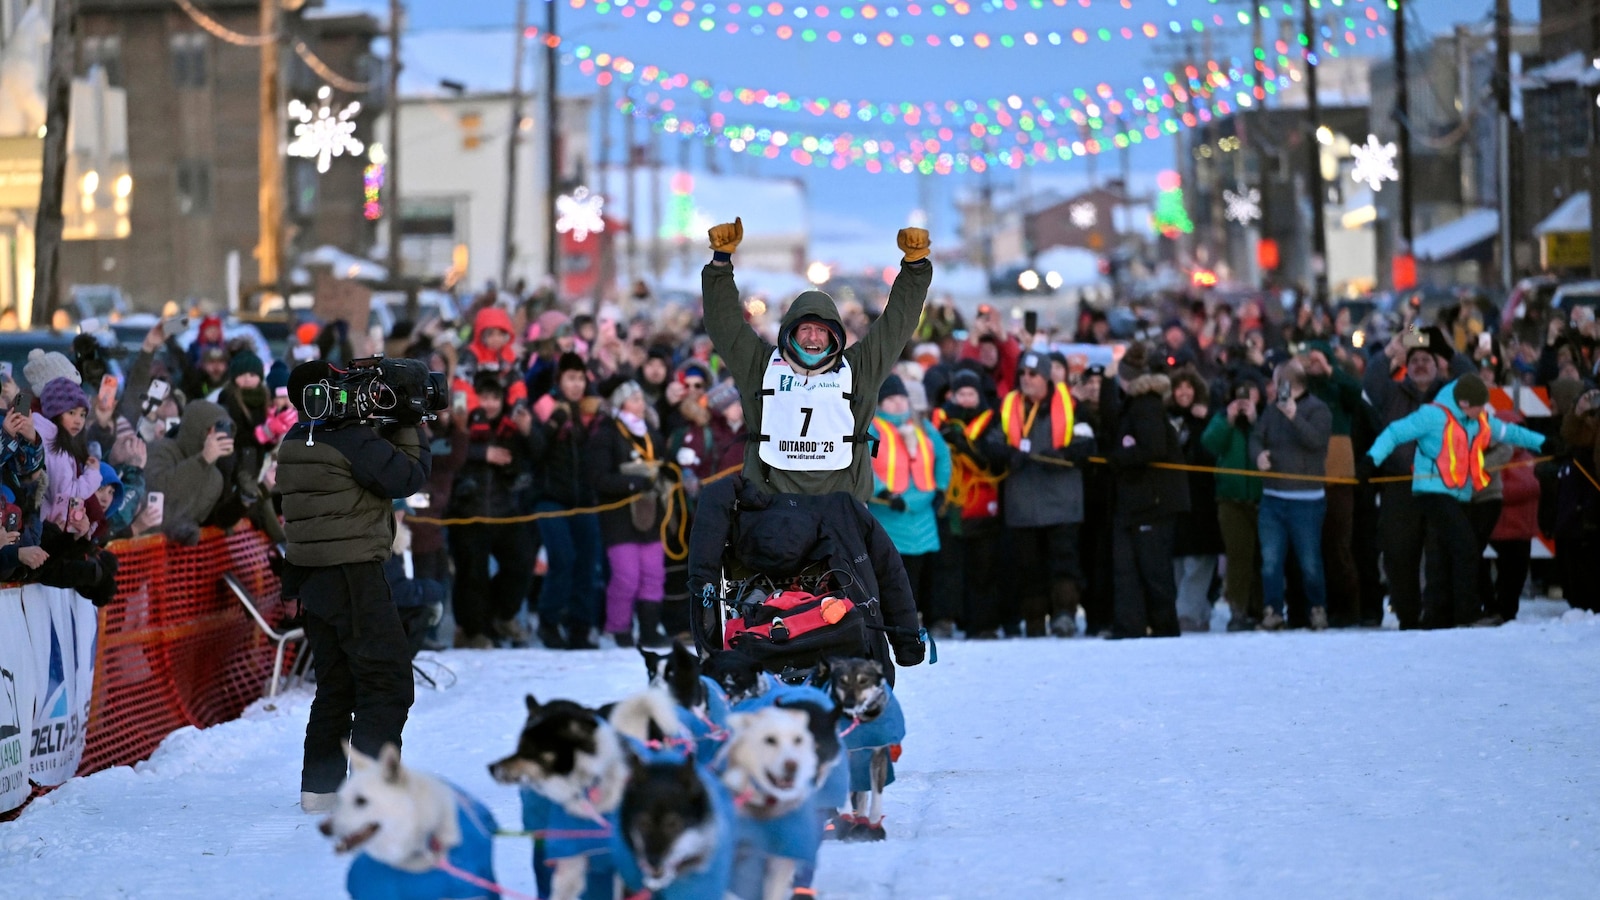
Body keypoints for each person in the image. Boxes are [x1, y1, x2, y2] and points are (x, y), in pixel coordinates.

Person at [277, 360, 432, 814]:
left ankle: (320, 790)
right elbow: (407, 476)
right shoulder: (350, 441)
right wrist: (406, 418)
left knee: (337, 686)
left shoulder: (294, 441)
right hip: (354, 577)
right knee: (387, 683)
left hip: (312, 578)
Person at [700, 217, 932, 500]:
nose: (813, 338)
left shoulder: (858, 370)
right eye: (805, 329)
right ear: (790, 333)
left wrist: (915, 267)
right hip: (772, 506)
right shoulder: (760, 367)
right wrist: (720, 265)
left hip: (841, 507)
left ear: (835, 335)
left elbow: (897, 324)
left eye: (821, 331)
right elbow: (724, 325)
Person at [1368, 373, 1544, 628]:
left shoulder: (1481, 420)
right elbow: (1399, 434)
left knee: (1463, 551)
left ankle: (1466, 611)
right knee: (1453, 551)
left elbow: (1506, 439)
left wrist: (1543, 443)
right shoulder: (1434, 419)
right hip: (1440, 494)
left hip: (1474, 496)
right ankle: (1454, 612)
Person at [1363, 325, 1474, 628]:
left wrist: (1448, 350)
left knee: (1440, 552)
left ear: (1438, 365)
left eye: (1428, 359)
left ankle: (1438, 615)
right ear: (1405, 367)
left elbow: (1473, 381)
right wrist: (1390, 349)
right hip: (1400, 485)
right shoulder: (1392, 393)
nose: (1421, 365)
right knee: (1399, 554)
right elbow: (1371, 381)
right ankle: (1407, 615)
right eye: (1415, 361)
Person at [986, 350, 1096, 637]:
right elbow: (992, 442)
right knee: (1028, 567)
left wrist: (1062, 454)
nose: (1026, 379)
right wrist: (1009, 454)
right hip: (1023, 503)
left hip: (1063, 501)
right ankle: (1034, 619)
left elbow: (1087, 443)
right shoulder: (1008, 405)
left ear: (1046, 377)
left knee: (1064, 562)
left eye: (1032, 374)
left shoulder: (1071, 404)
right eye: (1022, 373)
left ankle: (1064, 614)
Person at [447, 373, 540, 648]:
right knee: (471, 574)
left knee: (522, 563)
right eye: (484, 397)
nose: (489, 404)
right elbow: (444, 448)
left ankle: (501, 616)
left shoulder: (511, 425)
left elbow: (539, 453)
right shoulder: (462, 419)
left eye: (495, 398)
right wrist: (482, 453)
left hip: (506, 511)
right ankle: (472, 630)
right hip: (468, 512)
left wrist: (529, 431)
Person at [1104, 343, 1190, 639]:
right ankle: (1130, 624)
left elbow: (1153, 448)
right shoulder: (1136, 405)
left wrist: (1119, 458)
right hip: (1137, 501)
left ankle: (1164, 626)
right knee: (1128, 569)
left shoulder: (1146, 405)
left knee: (1154, 570)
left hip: (1153, 500)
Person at [587, 379, 672, 649]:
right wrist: (634, 482)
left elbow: (665, 465)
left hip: (652, 513)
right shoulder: (606, 434)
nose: (640, 404)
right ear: (620, 403)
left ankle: (649, 629)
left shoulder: (652, 433)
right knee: (626, 576)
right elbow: (598, 478)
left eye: (641, 399)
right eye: (634, 399)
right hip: (620, 517)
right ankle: (619, 628)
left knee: (654, 574)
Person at [1249, 360, 1334, 631]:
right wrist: (1258, 454)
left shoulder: (1318, 409)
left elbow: (1317, 442)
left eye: (1276, 381)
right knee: (1270, 561)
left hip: (1307, 501)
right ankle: (1273, 610)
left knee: (1310, 561)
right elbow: (1255, 437)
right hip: (1273, 498)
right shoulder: (1271, 411)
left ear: (1286, 383)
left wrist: (1294, 416)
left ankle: (1317, 608)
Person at [866, 374, 952, 631]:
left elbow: (943, 457)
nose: (898, 404)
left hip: (924, 513)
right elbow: (865, 464)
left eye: (901, 398)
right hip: (890, 513)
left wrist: (940, 489)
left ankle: (935, 619)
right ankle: (901, 622)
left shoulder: (924, 427)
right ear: (880, 403)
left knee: (929, 572)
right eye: (890, 399)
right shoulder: (873, 429)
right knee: (895, 573)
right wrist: (884, 493)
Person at [532, 352, 605, 650]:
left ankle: (580, 626)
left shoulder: (592, 412)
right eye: (570, 378)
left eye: (580, 378)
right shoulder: (544, 408)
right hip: (550, 497)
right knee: (562, 559)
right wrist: (552, 425)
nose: (575, 385)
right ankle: (548, 621)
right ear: (559, 380)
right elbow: (534, 452)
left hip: (584, 499)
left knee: (588, 563)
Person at [933, 368, 1009, 638]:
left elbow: (997, 457)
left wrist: (966, 447)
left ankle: (983, 624)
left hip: (982, 504)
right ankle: (947, 619)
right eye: (961, 393)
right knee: (949, 567)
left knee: (983, 568)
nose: (966, 399)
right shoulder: (939, 419)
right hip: (950, 506)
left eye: (971, 394)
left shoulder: (992, 421)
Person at [1202, 376, 1266, 631]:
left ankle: (1262, 609)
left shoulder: (1265, 418)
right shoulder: (1221, 418)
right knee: (1238, 558)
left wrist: (1255, 422)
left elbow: (1273, 443)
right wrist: (1228, 421)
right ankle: (1238, 610)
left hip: (1263, 499)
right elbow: (1210, 444)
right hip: (1231, 499)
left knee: (1264, 558)